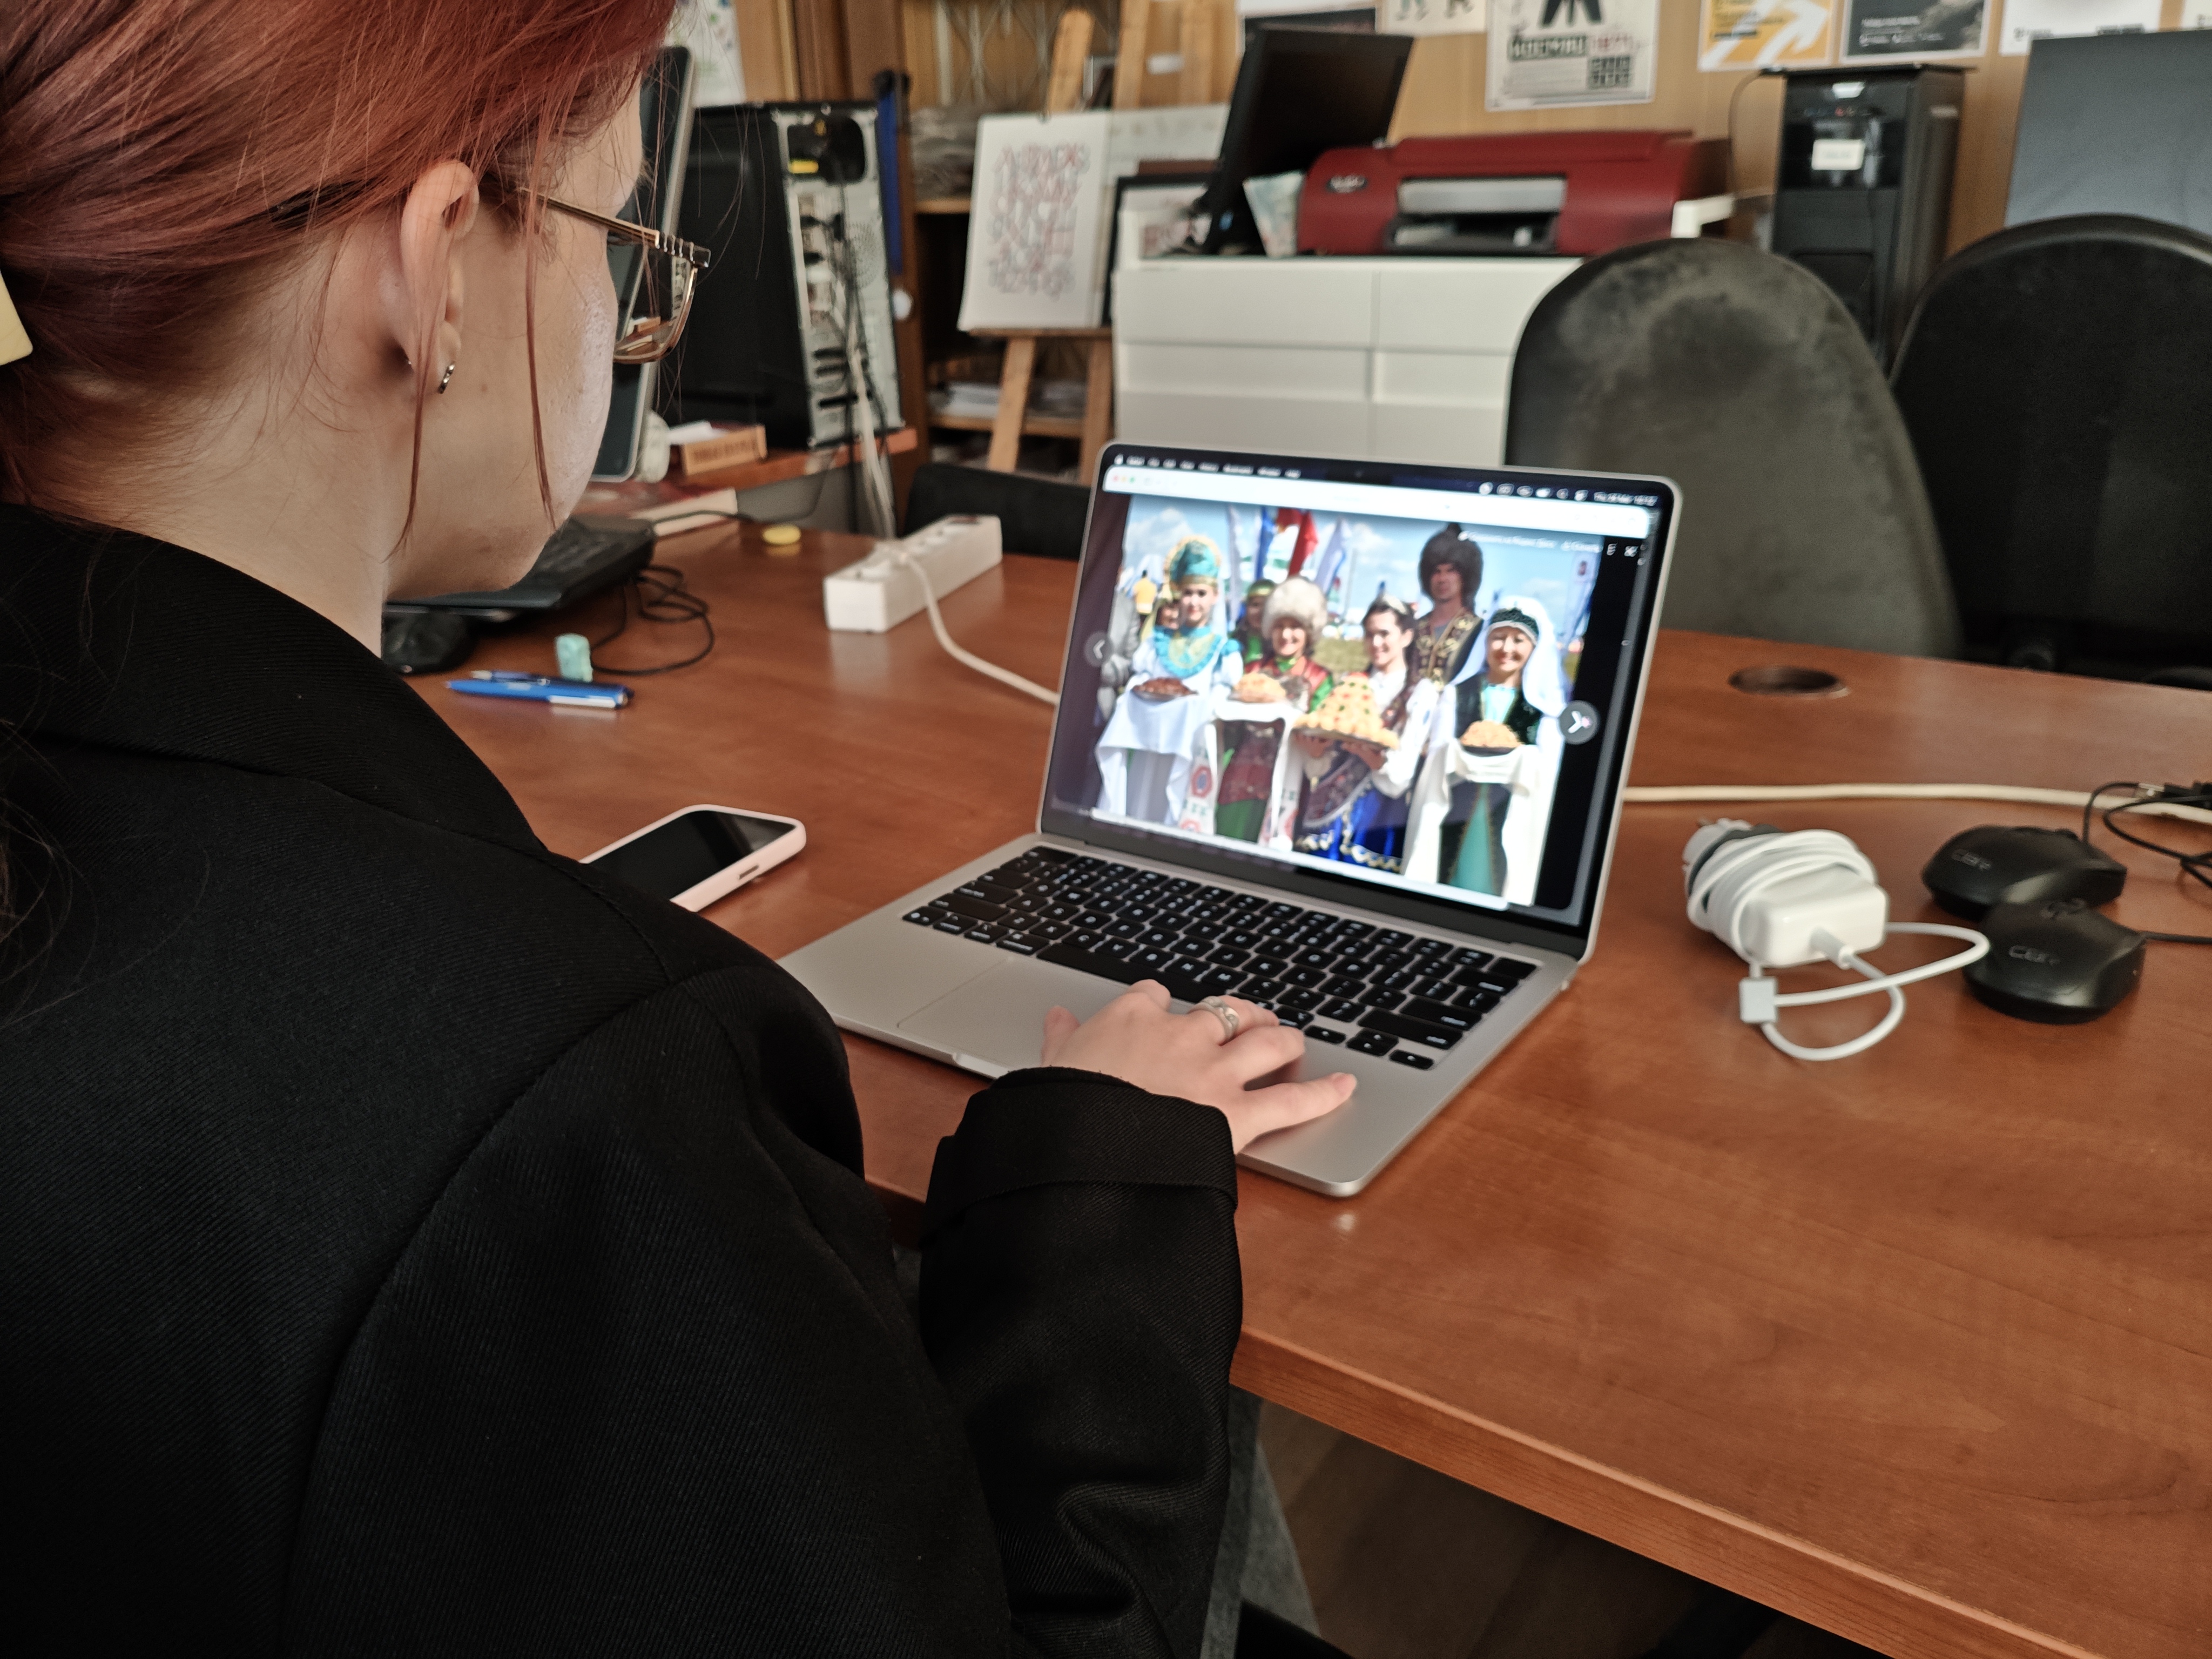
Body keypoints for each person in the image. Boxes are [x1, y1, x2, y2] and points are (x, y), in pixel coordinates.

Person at [0, 5, 1353, 1652]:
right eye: (622, 239)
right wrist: (1093, 1167)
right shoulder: (567, 1084)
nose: (625, 318)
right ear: (435, 270)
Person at [1094, 536, 1245, 824]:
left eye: (1201, 593)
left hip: (1190, 746)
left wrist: (1202, 707)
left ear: (1215, 596)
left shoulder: (1222, 652)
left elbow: (1221, 696)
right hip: (1148, 742)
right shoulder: (1157, 643)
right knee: (1141, 801)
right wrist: (1134, 695)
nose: (1194, 602)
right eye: (1188, 593)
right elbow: (1142, 678)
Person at [1429, 597, 1569, 899]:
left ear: (1534, 648)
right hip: (1455, 807)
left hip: (1513, 814)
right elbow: (1436, 761)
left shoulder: (1542, 710)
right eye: (1499, 637)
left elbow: (1548, 775)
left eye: (1519, 640)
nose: (1507, 648)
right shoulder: (1457, 695)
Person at [1291, 598, 1438, 874]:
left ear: (1407, 637)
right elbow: (1323, 758)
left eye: (1384, 634)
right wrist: (1316, 754)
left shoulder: (1421, 693)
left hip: (1377, 817)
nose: (1376, 642)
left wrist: (1377, 761)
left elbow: (1401, 777)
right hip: (1327, 811)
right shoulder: (1351, 683)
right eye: (1370, 634)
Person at [1213, 577, 1332, 846]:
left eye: (1295, 627)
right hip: (1240, 780)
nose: (1286, 635)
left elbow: (1321, 732)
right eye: (1279, 626)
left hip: (1288, 782)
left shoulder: (1319, 678)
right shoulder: (1253, 670)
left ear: (1309, 631)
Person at [1410, 525, 1485, 686]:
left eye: (1451, 571)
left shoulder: (1480, 631)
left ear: (1465, 576)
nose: (1442, 579)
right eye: (1437, 571)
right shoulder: (1412, 628)